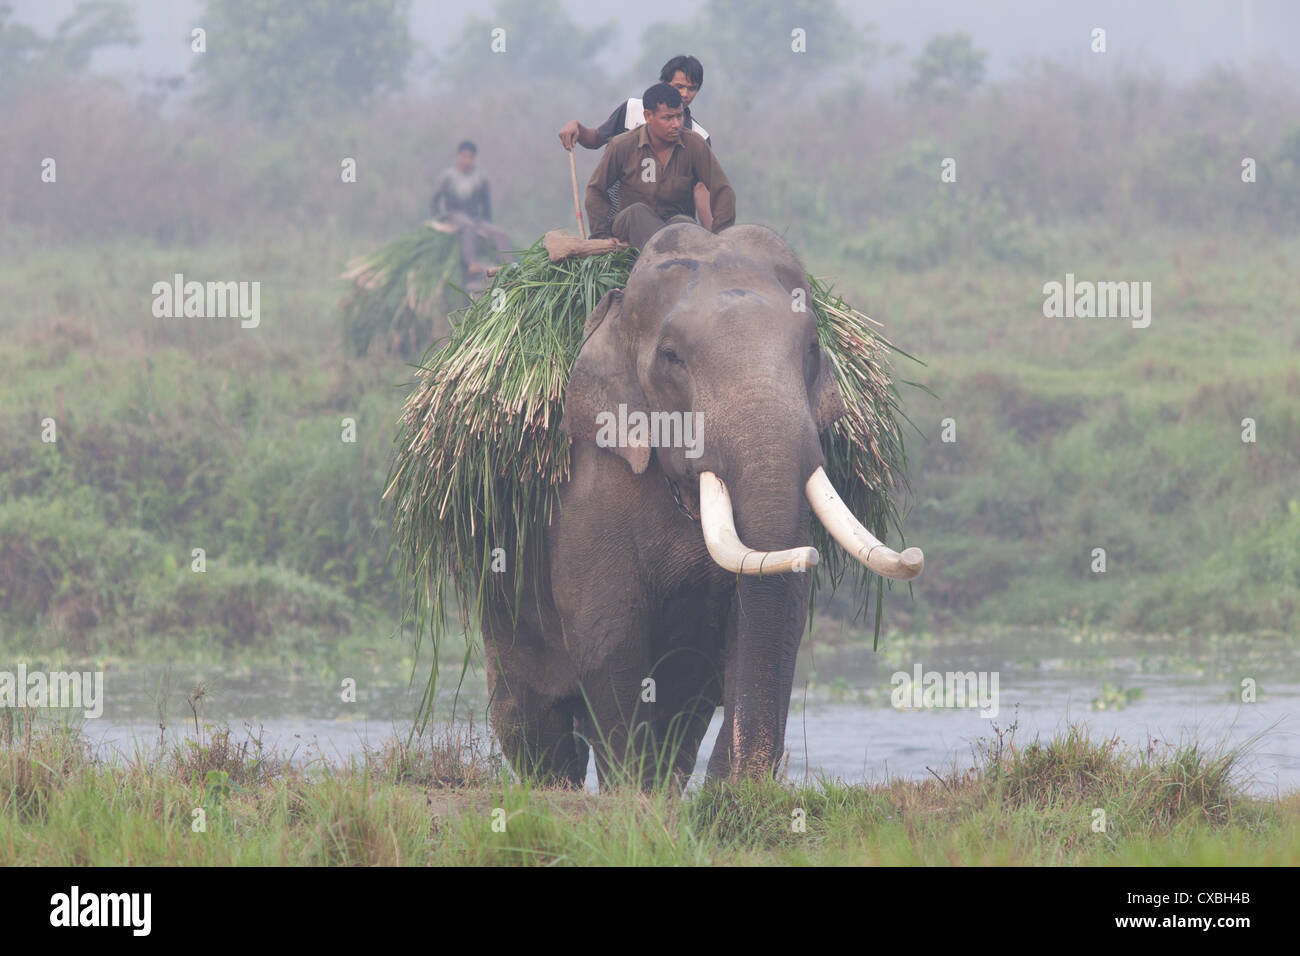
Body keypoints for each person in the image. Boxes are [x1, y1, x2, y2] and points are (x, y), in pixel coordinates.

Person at [558, 55, 716, 230]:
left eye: (692, 89)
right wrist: (578, 128)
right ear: (663, 83)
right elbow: (597, 138)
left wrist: (714, 238)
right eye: (679, 87)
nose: (685, 94)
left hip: (673, 225)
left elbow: (701, 189)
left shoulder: (698, 137)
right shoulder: (632, 111)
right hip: (627, 217)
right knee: (638, 213)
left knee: (682, 225)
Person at [585, 83, 735, 250]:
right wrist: (601, 235)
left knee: (684, 222)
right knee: (638, 212)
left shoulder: (695, 144)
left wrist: (720, 235)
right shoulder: (622, 145)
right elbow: (595, 190)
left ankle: (667, 256)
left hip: (674, 225)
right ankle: (666, 255)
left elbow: (722, 189)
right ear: (648, 116)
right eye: (668, 118)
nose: (677, 124)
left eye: (680, 116)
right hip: (631, 225)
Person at [429, 141, 512, 279]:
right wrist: (440, 218)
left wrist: (487, 224)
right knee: (468, 225)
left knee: (500, 233)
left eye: (470, 157)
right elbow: (434, 199)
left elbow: (486, 204)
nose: (467, 161)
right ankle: (471, 263)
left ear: (474, 158)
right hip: (454, 214)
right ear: (458, 156)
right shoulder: (448, 176)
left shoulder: (480, 177)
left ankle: (508, 264)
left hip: (475, 216)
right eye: (464, 157)